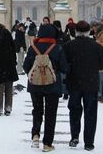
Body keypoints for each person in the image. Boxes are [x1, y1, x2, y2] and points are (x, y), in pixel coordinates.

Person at [63, 20, 103, 151]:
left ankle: (74, 136)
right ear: (89, 32)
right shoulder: (96, 46)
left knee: (74, 111)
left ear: (76, 32)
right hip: (91, 82)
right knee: (91, 113)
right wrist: (94, 67)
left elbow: (63, 63)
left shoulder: (69, 46)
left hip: (74, 82)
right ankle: (89, 141)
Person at [24, 22, 69, 152]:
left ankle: (35, 135)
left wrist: (37, 73)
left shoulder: (33, 48)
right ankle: (47, 143)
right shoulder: (57, 48)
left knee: (37, 110)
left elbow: (26, 67)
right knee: (51, 114)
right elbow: (64, 68)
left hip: (35, 85)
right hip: (52, 86)